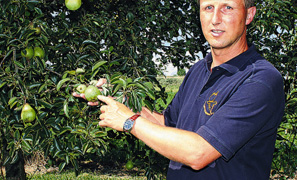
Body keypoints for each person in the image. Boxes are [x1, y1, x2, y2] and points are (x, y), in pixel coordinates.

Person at [73, 0, 285, 179]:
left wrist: (130, 122)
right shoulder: (199, 70)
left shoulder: (261, 79)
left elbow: (199, 153)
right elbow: (167, 123)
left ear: (249, 15)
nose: (215, 19)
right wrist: (119, 98)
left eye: (227, 8)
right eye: (208, 8)